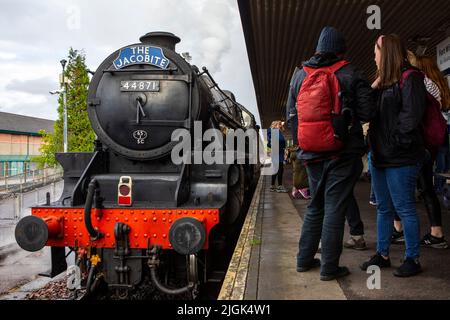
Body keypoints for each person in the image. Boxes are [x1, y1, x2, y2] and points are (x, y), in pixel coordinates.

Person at [292, 26, 376, 281]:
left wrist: (306, 143)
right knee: (335, 208)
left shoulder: (298, 76)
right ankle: (329, 268)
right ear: (341, 50)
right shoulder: (351, 73)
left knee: (315, 206)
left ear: (318, 48)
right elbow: (369, 112)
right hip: (343, 153)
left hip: (311, 154)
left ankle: (304, 261)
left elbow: (290, 117)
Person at [361, 34, 427, 277]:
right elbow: (364, 111)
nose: (374, 55)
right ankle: (383, 254)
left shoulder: (411, 79)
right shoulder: (382, 83)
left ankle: (413, 258)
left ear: (386, 52)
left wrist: (395, 144)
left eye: (376, 51)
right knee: (383, 208)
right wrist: (374, 86)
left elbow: (410, 117)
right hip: (379, 157)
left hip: (401, 158)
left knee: (405, 208)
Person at [390, 53, 449, 249]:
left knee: (402, 186)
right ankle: (436, 232)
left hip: (418, 143)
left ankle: (399, 230)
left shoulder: (416, 81)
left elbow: (411, 114)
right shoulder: (434, 84)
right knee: (426, 187)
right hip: (432, 142)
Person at [267, 120, 288, 193]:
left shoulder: (272, 132)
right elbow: (281, 140)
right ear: (276, 125)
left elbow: (269, 144)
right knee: (280, 170)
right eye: (279, 125)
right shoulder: (275, 131)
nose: (280, 126)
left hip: (277, 152)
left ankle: (272, 186)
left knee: (276, 170)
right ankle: (279, 187)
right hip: (278, 153)